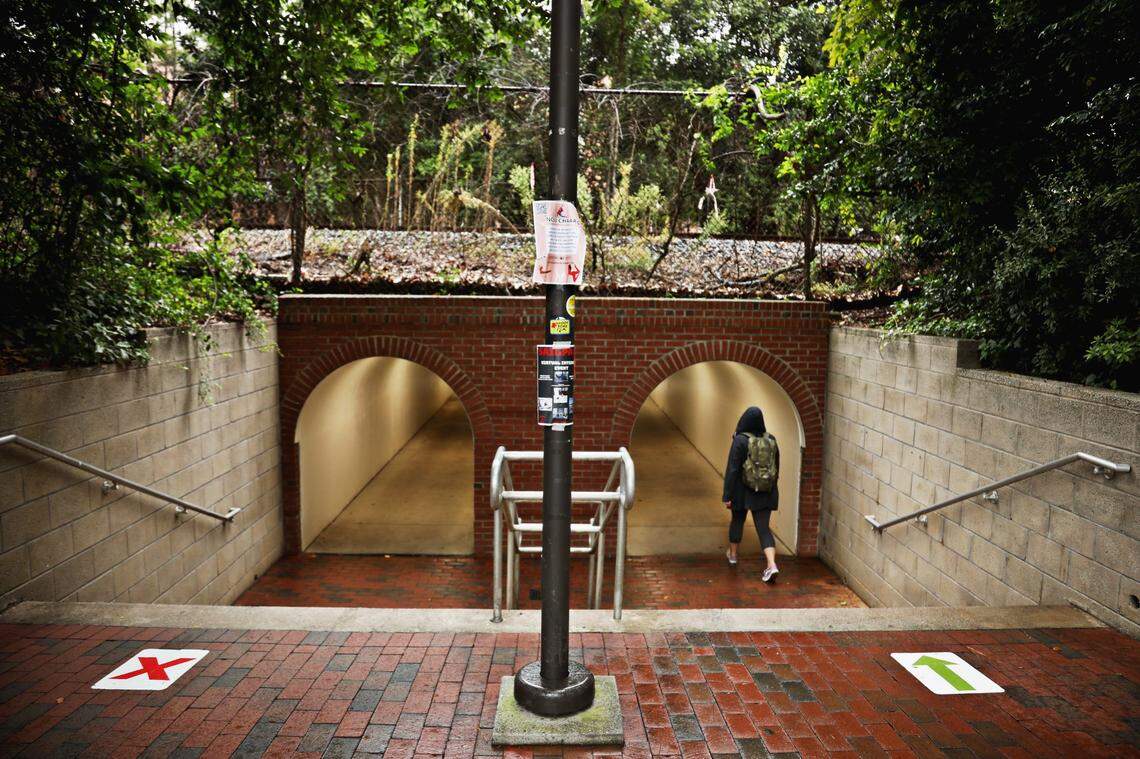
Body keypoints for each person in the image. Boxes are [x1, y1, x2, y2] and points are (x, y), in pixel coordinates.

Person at [722, 406, 780, 582]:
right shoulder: (771, 439)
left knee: (737, 521)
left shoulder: (740, 440)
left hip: (741, 491)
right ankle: (771, 565)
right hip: (765, 492)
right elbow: (776, 468)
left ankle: (733, 555)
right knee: (763, 529)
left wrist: (727, 495)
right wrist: (770, 489)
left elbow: (732, 469)